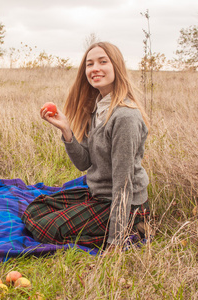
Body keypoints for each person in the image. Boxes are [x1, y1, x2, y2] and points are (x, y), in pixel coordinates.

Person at [21, 42, 150, 250]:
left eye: (103, 62)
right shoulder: (98, 108)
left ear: (116, 66)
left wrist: (115, 242)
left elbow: (123, 185)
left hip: (123, 205)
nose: (95, 68)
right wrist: (66, 131)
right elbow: (84, 163)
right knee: (35, 209)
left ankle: (133, 229)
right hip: (97, 195)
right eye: (89, 64)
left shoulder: (125, 117)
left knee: (46, 228)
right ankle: (100, 224)